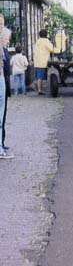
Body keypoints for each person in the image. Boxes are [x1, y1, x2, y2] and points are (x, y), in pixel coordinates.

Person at [0, 16, 13, 159]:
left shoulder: (4, 50)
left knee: (2, 116)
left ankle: (2, 142)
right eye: (6, 39)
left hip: (4, 83)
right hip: (2, 83)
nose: (8, 41)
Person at [33, 29, 61, 95]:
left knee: (39, 77)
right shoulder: (46, 41)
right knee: (41, 77)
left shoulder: (38, 41)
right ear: (46, 35)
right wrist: (59, 50)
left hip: (37, 61)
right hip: (42, 61)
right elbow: (52, 49)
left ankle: (39, 89)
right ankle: (40, 90)